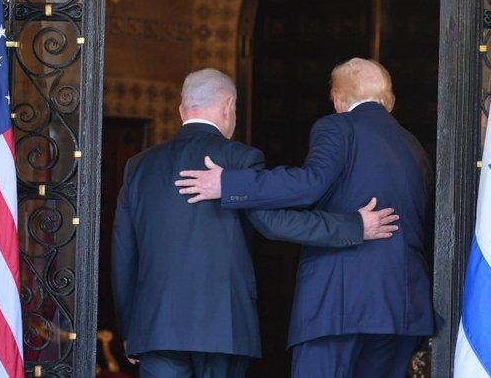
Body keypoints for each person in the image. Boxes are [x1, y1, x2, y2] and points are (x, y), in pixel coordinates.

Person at [112, 68, 399, 378]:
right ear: (228, 106)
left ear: (182, 110)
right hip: (223, 327)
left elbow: (124, 251)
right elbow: (276, 223)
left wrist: (130, 328)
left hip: (155, 328)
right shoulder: (239, 158)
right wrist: (354, 226)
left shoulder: (138, 166)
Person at [176, 58, 435, 378]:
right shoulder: (415, 147)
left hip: (340, 306)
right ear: (388, 97)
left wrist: (230, 183)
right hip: (404, 309)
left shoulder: (337, 127)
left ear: (338, 99)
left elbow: (309, 185)